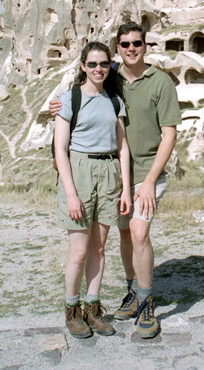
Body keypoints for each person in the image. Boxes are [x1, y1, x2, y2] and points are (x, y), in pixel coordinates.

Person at [51, 23, 181, 339]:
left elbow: (169, 134)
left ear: (145, 45)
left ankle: (145, 302)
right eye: (124, 44)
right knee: (119, 237)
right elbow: (78, 103)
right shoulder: (113, 79)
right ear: (117, 49)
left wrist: (149, 181)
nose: (131, 48)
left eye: (137, 42)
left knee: (136, 234)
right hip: (112, 176)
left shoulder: (160, 82)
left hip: (144, 175)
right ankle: (129, 292)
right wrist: (57, 106)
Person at [54, 41, 131, 339]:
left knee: (99, 247)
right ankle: (72, 310)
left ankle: (93, 308)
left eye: (103, 64)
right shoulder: (71, 98)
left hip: (109, 172)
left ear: (109, 66)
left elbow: (122, 148)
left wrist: (124, 188)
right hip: (80, 170)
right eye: (92, 64)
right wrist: (71, 193)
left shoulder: (115, 101)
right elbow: (61, 148)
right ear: (83, 66)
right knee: (78, 252)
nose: (98, 69)